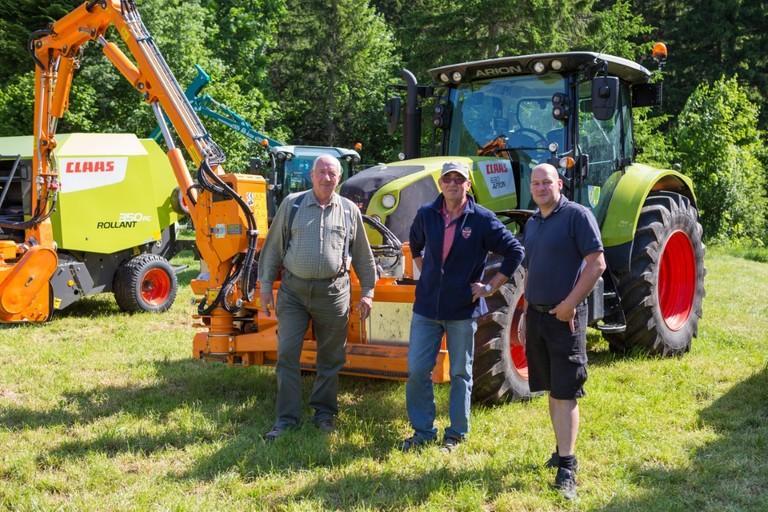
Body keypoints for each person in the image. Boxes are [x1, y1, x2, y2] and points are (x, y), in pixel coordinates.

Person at [402, 161, 524, 453]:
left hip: (461, 311)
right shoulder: (426, 214)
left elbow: (515, 251)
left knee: (460, 373)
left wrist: (490, 287)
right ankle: (423, 431)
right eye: (448, 179)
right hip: (426, 309)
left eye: (459, 179)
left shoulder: (482, 219)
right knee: (417, 370)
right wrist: (427, 272)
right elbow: (415, 245)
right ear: (441, 184)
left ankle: (456, 434)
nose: (453, 184)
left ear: (468, 184)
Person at [258, 154, 377, 440]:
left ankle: (324, 414)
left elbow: (363, 255)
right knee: (287, 353)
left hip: (333, 294)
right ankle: (286, 419)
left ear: (339, 178)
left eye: (332, 173)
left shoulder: (349, 210)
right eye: (321, 172)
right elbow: (273, 249)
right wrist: (265, 286)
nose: (326, 177)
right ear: (311, 176)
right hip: (293, 293)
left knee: (331, 357)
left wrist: (368, 292)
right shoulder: (292, 205)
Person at [522, 163, 606, 499]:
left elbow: (597, 263)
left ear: (559, 183)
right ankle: (560, 450)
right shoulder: (532, 222)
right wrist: (525, 313)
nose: (541, 188)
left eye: (547, 182)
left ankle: (568, 467)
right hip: (538, 316)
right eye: (536, 183)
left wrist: (570, 304)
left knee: (566, 390)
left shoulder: (577, 216)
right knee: (552, 388)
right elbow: (529, 270)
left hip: (565, 317)